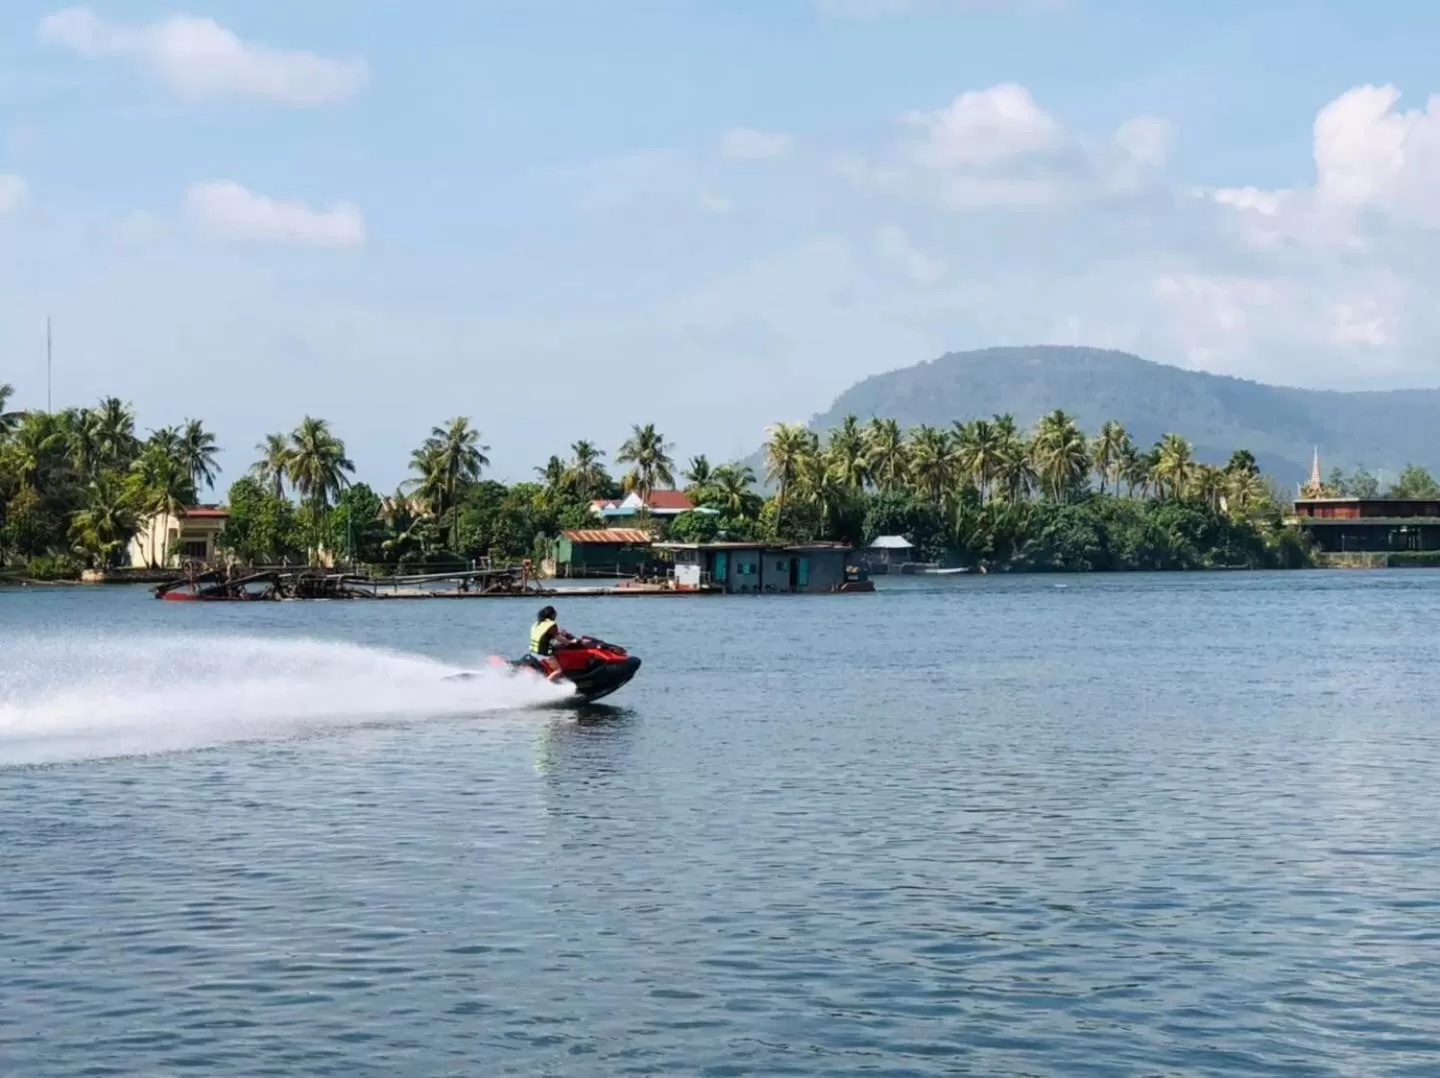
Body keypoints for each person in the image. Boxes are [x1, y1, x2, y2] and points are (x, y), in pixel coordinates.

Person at [528, 605, 572, 681]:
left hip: (533, 652)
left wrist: (562, 632)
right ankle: (545, 686)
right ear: (552, 615)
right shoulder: (551, 624)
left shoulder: (537, 623)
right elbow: (559, 639)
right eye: (555, 614)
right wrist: (569, 642)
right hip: (543, 654)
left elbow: (546, 634)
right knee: (558, 671)